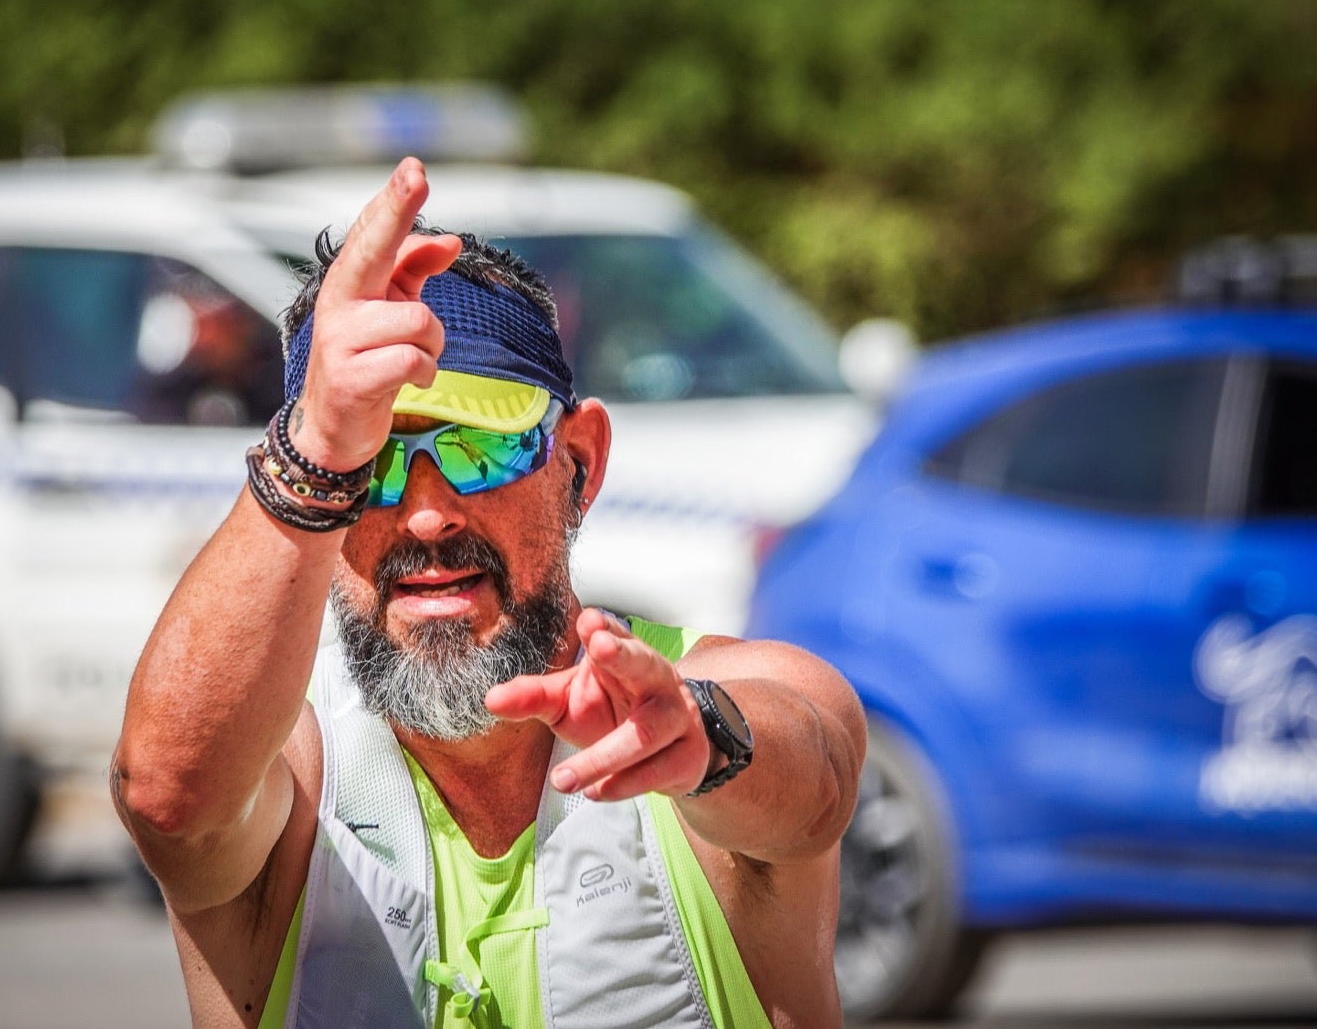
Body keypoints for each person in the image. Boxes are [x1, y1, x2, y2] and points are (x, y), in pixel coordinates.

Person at [111, 157, 867, 1029]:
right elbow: (169, 800)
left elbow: (817, 777)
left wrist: (702, 743)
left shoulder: (719, 701)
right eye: (373, 463)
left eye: (482, 450)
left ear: (579, 464)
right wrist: (316, 440)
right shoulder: (291, 775)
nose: (429, 515)